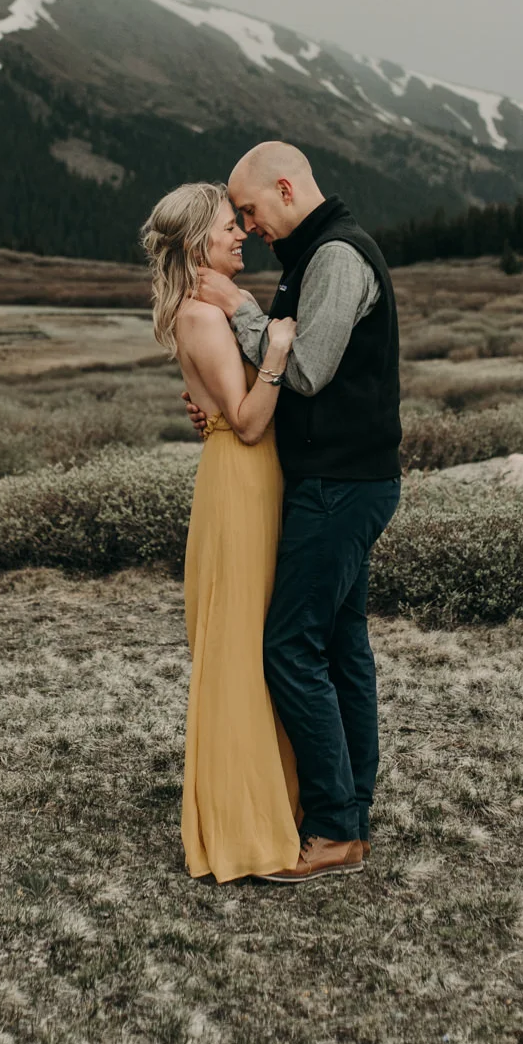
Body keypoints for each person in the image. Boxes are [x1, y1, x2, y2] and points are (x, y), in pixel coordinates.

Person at [189, 141, 403, 884]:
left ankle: (337, 826)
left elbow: (306, 367)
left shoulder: (339, 256)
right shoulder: (311, 256)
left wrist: (243, 310)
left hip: (342, 483)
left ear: (285, 188)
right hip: (331, 479)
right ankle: (349, 810)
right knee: (341, 642)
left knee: (288, 644)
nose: (248, 225)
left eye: (250, 208)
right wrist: (218, 403)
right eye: (236, 217)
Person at [140, 181, 305, 883]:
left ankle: (271, 803)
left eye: (241, 223)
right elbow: (246, 419)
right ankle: (244, 828)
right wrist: (277, 347)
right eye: (227, 226)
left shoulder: (202, 310)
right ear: (195, 244)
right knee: (239, 648)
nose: (241, 233)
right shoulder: (204, 317)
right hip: (240, 480)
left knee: (253, 642)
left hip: (247, 478)